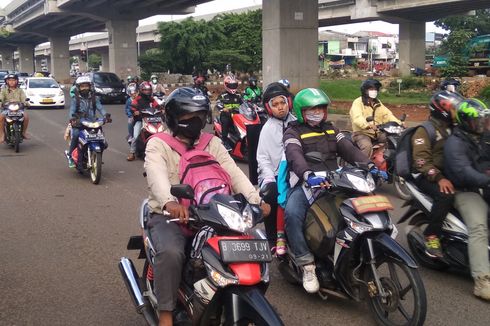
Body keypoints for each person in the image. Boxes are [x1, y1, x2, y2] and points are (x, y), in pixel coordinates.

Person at [144, 87, 270, 326]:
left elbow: (234, 173)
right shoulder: (158, 144)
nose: (195, 122)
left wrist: (256, 200)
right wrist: (169, 202)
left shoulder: (212, 142)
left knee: (252, 242)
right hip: (171, 216)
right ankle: (166, 314)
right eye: (187, 118)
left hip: (215, 214)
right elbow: (157, 176)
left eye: (199, 117)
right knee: (171, 252)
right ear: (173, 119)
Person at [283, 88, 370, 293]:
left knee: (362, 204)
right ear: (300, 111)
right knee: (292, 214)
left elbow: (349, 149)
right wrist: (307, 175)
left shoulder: (331, 129)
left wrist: (369, 165)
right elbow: (294, 155)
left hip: (336, 181)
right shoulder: (292, 132)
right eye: (312, 109)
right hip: (307, 183)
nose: (317, 112)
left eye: (321, 108)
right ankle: (307, 264)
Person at [444, 98, 490, 301]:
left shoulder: (480, 137)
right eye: (477, 121)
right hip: (466, 191)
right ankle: (482, 280)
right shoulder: (455, 143)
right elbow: (464, 172)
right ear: (465, 121)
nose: (481, 124)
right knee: (479, 227)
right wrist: (487, 180)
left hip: (483, 186)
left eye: (483, 120)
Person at [410, 91, 463, 258]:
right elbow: (421, 162)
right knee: (445, 194)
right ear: (441, 110)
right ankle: (431, 236)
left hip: (447, 172)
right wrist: (439, 178)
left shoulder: (454, 128)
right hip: (425, 175)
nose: (456, 112)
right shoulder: (424, 130)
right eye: (453, 108)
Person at [257, 82, 296, 255]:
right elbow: (262, 158)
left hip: (294, 170)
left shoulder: (296, 122)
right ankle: (273, 237)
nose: (280, 108)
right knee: (271, 194)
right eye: (275, 104)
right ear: (269, 107)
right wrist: (269, 177)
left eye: (282, 103)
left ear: (289, 103)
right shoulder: (267, 129)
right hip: (272, 173)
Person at [350, 79, 402, 157]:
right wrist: (367, 125)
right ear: (365, 90)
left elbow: (387, 115)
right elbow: (357, 117)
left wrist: (399, 123)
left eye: (375, 89)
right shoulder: (358, 102)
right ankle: (363, 166)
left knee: (393, 139)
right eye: (371, 89)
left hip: (377, 133)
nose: (374, 91)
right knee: (367, 146)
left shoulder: (377, 103)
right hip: (362, 133)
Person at [67, 76, 110, 168]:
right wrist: (72, 119)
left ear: (90, 87)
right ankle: (70, 156)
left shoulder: (95, 98)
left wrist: (106, 115)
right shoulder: (75, 99)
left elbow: (101, 108)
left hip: (93, 122)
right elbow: (71, 111)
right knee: (75, 135)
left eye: (87, 86)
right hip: (79, 123)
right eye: (82, 86)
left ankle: (97, 157)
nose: (85, 88)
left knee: (102, 140)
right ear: (78, 87)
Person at [127, 81, 160, 161]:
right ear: (141, 90)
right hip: (141, 120)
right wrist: (135, 111)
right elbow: (132, 107)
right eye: (145, 90)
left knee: (162, 133)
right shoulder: (137, 99)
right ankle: (132, 153)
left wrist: (161, 109)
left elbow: (157, 106)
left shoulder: (151, 99)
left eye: (148, 90)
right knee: (135, 135)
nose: (147, 91)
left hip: (152, 120)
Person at [0, 74, 30, 142]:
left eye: (13, 80)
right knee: (1, 117)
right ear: (7, 81)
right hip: (7, 109)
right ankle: (2, 134)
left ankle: (23, 132)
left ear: (16, 81)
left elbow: (24, 98)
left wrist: (26, 103)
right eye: (10, 80)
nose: (11, 82)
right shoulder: (4, 90)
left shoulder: (20, 90)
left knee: (26, 116)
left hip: (19, 109)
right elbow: (1, 98)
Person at [217, 75, 242, 150]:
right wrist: (223, 108)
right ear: (226, 85)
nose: (233, 87)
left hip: (238, 115)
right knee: (226, 121)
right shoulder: (223, 95)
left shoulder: (238, 95)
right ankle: (224, 141)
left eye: (234, 85)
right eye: (231, 85)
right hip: (227, 115)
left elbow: (244, 103)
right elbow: (218, 104)